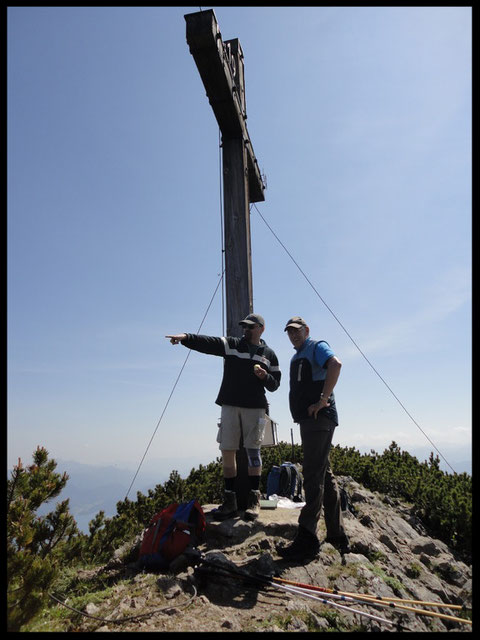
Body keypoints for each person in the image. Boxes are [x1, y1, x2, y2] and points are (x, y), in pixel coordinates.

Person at [166, 313, 281, 521]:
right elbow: (209, 343)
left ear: (262, 328)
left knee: (253, 452)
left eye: (251, 327)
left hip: (255, 407)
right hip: (229, 405)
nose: (246, 330)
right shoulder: (234, 345)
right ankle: (230, 501)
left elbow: (275, 385)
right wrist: (185, 338)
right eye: (244, 327)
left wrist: (265, 377)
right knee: (227, 450)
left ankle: (254, 500)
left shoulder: (269, 355)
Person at [277, 316, 350, 561]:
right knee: (324, 475)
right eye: (290, 332)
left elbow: (335, 364)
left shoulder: (316, 346)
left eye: (297, 331)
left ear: (307, 330)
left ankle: (307, 537)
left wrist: (322, 399)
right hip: (311, 420)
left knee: (312, 473)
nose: (293, 335)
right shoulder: (299, 355)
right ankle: (336, 535)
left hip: (319, 418)